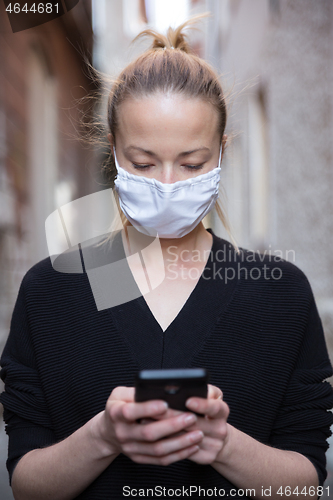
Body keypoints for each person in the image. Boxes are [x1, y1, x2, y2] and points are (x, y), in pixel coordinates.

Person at [1, 16, 333, 500]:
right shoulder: (51, 290)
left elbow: (305, 482)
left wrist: (221, 443)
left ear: (221, 152)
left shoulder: (281, 294)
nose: (169, 184)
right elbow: (27, 485)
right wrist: (103, 437)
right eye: (144, 163)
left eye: (192, 163)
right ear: (113, 151)